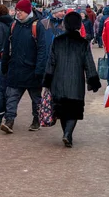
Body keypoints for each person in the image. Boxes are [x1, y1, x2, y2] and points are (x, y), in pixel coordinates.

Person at [43, 12, 101, 147]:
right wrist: (93, 81)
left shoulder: (57, 41)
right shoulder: (83, 43)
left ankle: (66, 134)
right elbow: (89, 63)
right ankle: (68, 134)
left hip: (58, 80)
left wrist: (47, 81)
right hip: (76, 82)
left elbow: (51, 62)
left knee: (62, 109)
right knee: (74, 109)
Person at [0, 0, 47, 134]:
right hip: (15, 69)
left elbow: (42, 50)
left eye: (20, 11)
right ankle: (9, 121)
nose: (18, 13)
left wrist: (39, 69)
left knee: (36, 99)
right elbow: (7, 46)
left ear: (28, 11)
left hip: (32, 70)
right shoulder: (13, 25)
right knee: (11, 97)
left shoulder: (37, 26)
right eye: (17, 10)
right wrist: (4, 65)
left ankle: (36, 120)